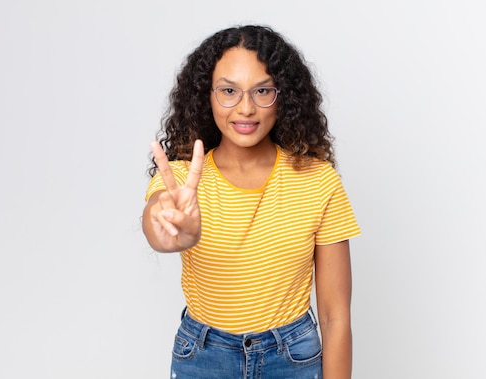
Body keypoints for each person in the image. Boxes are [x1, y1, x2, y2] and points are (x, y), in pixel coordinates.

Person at [142, 24, 361, 379]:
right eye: (229, 91)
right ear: (206, 96)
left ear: (284, 96)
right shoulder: (182, 180)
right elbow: (158, 218)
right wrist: (166, 229)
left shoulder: (319, 181)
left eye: (262, 91)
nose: (245, 108)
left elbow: (336, 317)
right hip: (204, 357)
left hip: (292, 357)